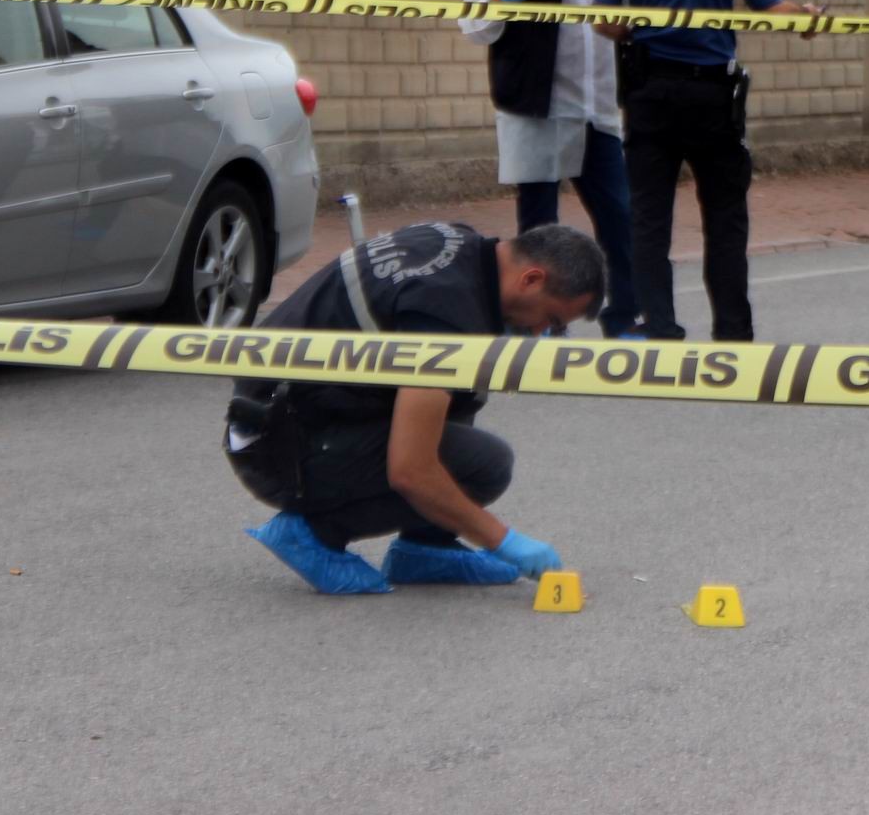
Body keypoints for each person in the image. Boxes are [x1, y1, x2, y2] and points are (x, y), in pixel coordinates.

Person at [225, 222, 604, 595]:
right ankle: (314, 534)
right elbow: (412, 470)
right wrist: (502, 540)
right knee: (486, 464)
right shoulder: (445, 314)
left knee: (465, 383)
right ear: (532, 279)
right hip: (277, 449)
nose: (539, 332)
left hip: (272, 415)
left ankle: (427, 545)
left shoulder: (458, 242)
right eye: (551, 320)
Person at [591, 0, 820, 342]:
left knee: (648, 219)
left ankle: (663, 329)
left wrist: (642, 27)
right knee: (725, 217)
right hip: (714, 96)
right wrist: (806, 16)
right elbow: (771, 9)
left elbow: (603, 20)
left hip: (650, 93)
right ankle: (734, 334)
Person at [459, 0, 641, 337]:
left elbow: (624, 24)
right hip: (536, 108)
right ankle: (536, 324)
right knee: (539, 229)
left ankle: (622, 318)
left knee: (621, 221)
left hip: (595, 111)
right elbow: (475, 27)